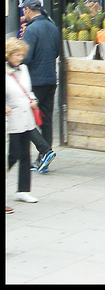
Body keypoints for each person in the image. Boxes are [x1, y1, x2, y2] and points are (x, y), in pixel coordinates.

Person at [7, 38, 57, 204]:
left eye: (22, 54)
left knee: (26, 156)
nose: (20, 58)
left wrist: (33, 99)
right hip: (12, 118)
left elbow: (28, 90)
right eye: (17, 55)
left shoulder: (23, 69)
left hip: (26, 116)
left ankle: (23, 190)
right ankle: (44, 149)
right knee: (13, 155)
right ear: (8, 54)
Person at [20, 0, 61, 170]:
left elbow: (25, 58)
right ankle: (43, 160)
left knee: (26, 119)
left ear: (28, 10)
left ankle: (44, 151)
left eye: (24, 11)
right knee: (46, 121)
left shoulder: (31, 30)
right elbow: (57, 52)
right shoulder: (52, 26)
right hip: (51, 79)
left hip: (35, 82)